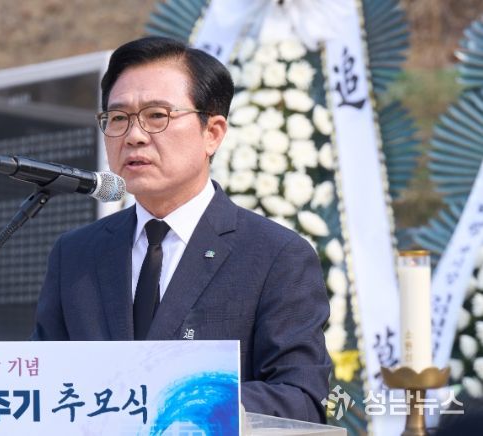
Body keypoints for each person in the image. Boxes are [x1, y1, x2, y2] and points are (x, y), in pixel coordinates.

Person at [31, 36, 331, 423]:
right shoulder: (75, 255)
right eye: (118, 118)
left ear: (213, 133)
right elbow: (44, 384)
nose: (134, 136)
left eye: (157, 115)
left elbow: (301, 399)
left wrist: (173, 399)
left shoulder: (275, 255)